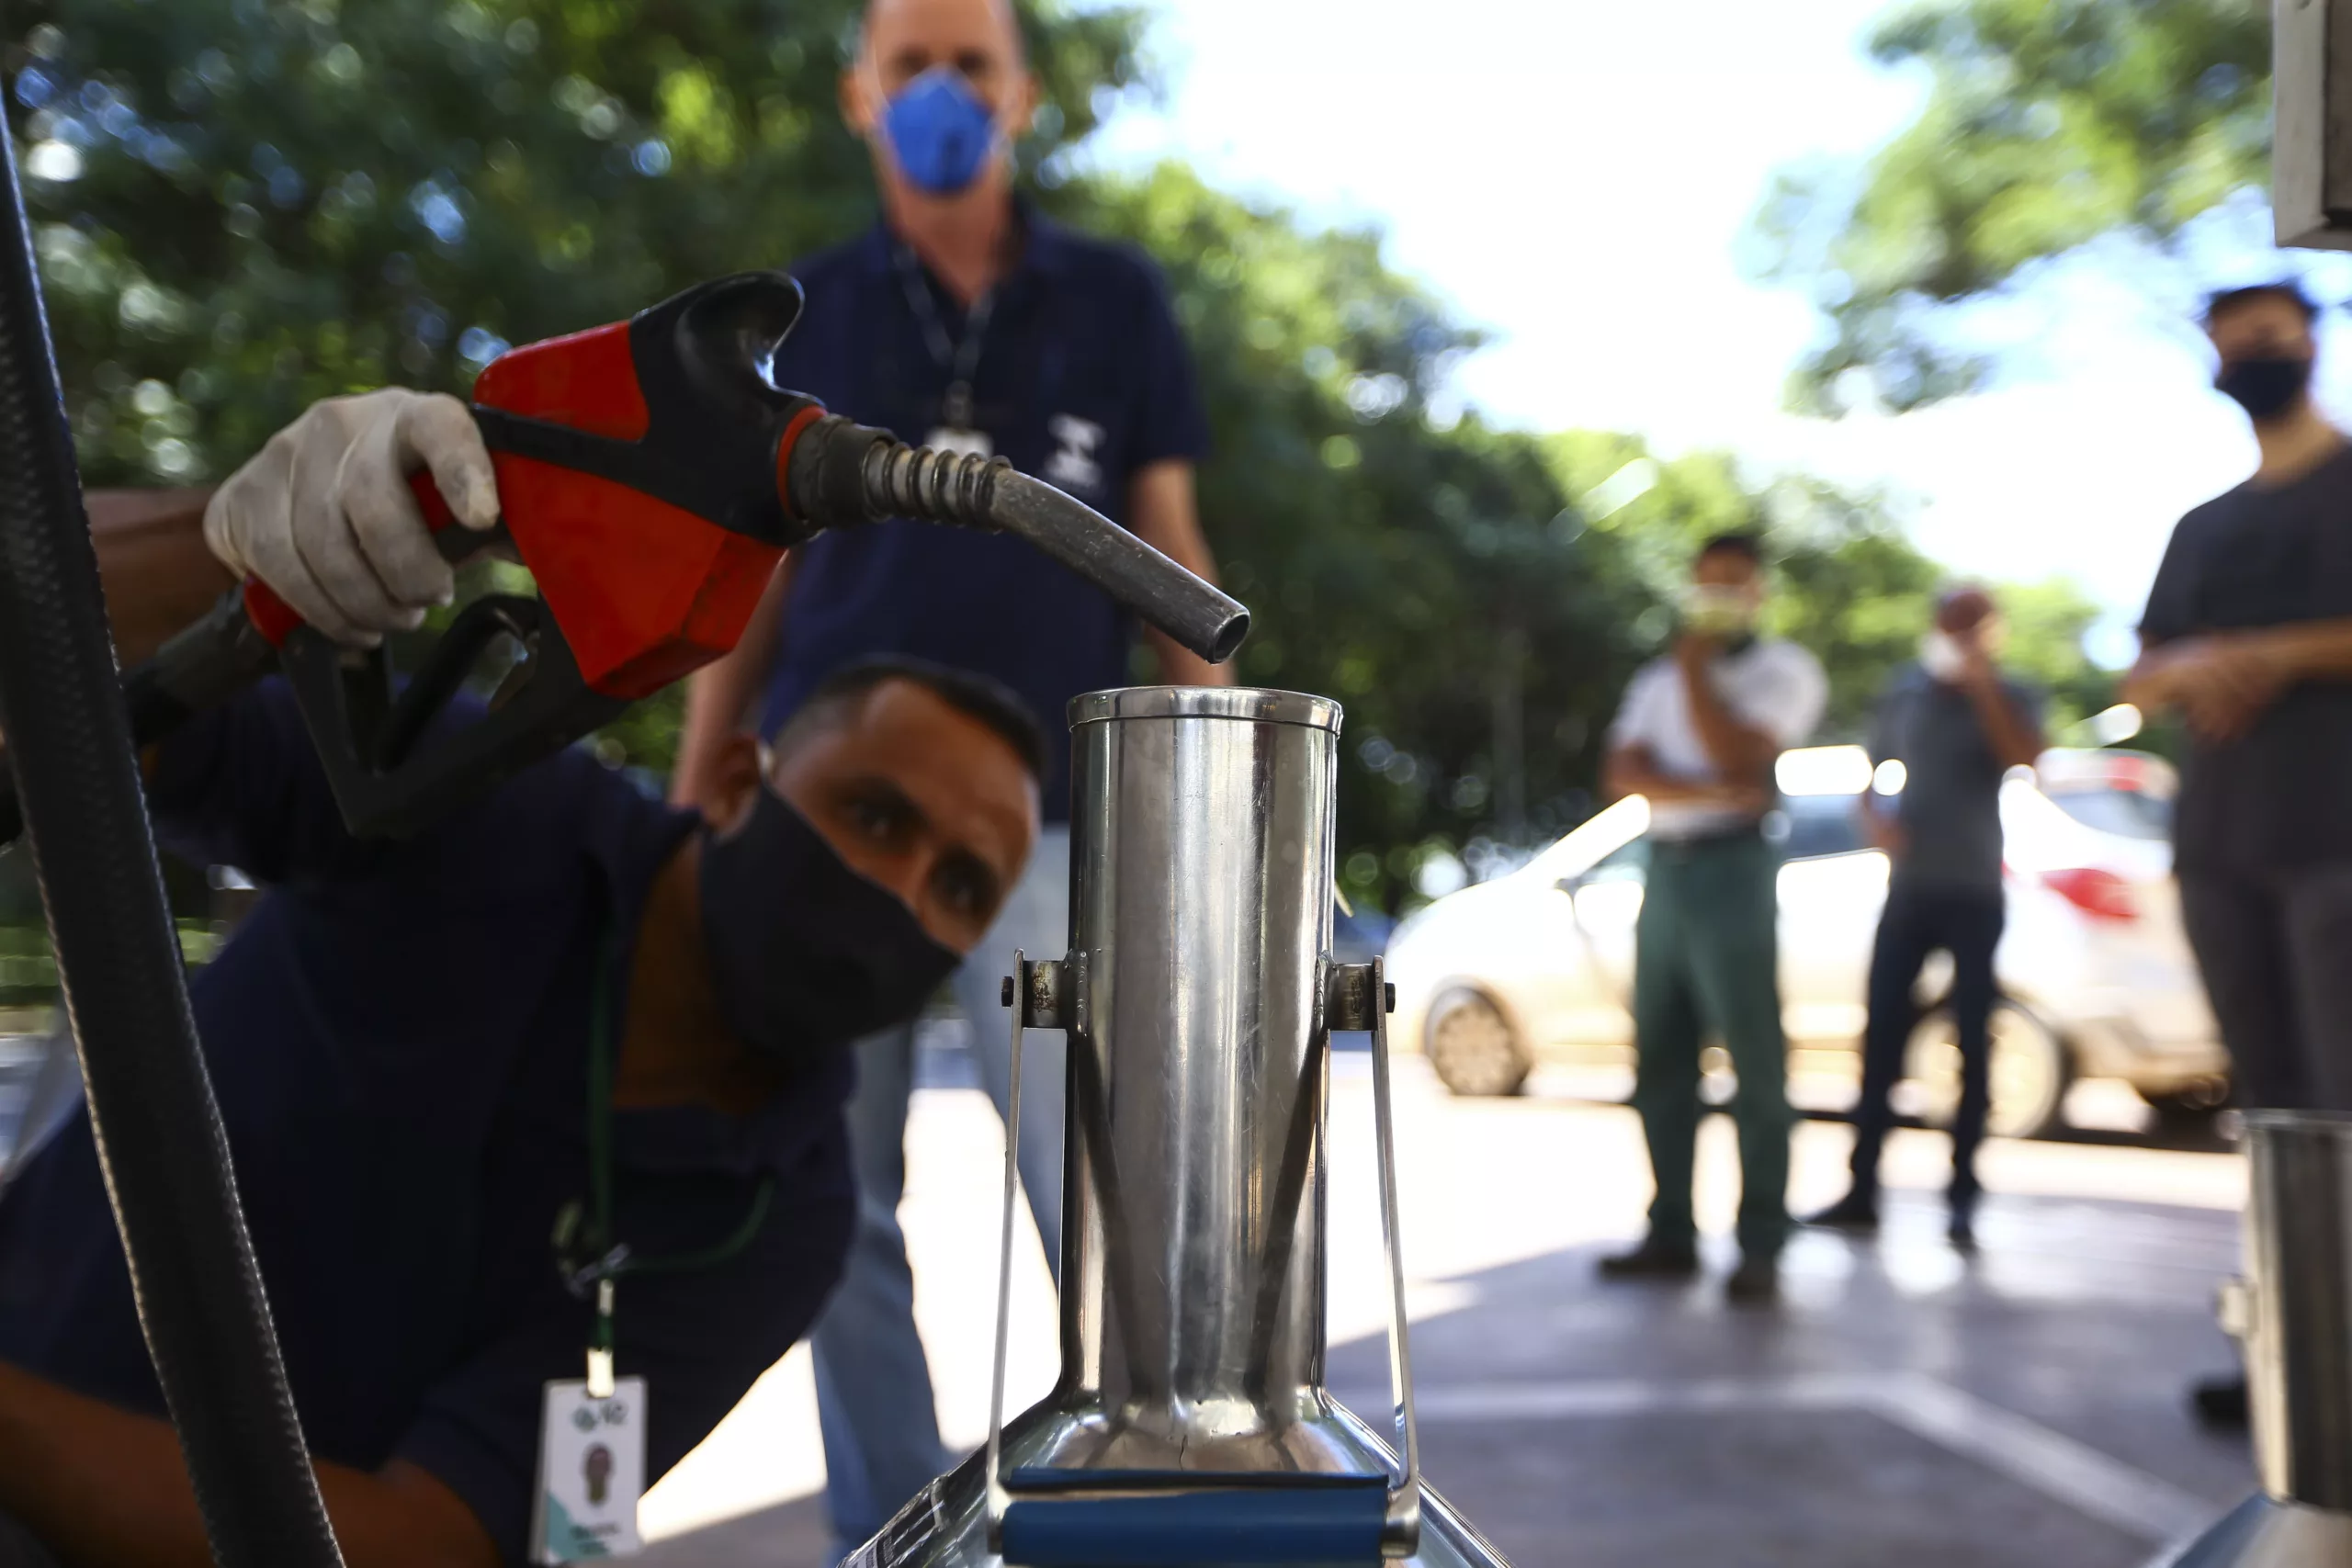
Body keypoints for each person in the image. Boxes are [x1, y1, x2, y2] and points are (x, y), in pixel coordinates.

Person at [0, 387, 1045, 1567]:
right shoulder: (479, 806)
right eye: (870, 813)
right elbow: (59, 665)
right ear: (741, 784)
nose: (897, 891)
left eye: (960, 886)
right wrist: (258, 542)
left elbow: (440, 1539)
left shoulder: (773, 1219)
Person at [667, 0, 1227, 1550]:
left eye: (967, 63)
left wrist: (1243, 794)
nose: (937, 92)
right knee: (831, 1204)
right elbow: (752, 572)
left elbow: (1171, 559)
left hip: (1048, 826)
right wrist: (700, 772)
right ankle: (898, 1525)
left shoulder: (1111, 300)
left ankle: (1151, 1509)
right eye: (906, 64)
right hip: (822, 821)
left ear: (1022, 97)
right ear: (860, 96)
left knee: (1104, 1200)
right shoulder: (803, 314)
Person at [2123, 280, 2352, 1424]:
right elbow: (2145, 670)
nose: (2252, 346)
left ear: (2311, 337)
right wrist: (2199, 666)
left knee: (2343, 1095)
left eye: (2272, 326)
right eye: (2231, 332)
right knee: (2269, 1108)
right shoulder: (2201, 528)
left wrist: (2260, 653)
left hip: (2337, 843)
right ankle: (2297, 1355)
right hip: (2222, 850)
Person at [1594, 534, 1827, 1303]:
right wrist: (1709, 788)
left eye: (1734, 583)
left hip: (1735, 866)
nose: (1718, 596)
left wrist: (1698, 677)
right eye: (1706, 583)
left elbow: (1744, 761)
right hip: (1665, 869)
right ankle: (1671, 1231)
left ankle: (1762, 1237)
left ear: (1758, 590)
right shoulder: (1655, 676)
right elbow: (1622, 774)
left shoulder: (1783, 670)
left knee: (1754, 1058)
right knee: (1660, 1058)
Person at [1804, 586, 2044, 1250]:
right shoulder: (1905, 690)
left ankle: (1962, 1196)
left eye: (1970, 625)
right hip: (1909, 891)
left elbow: (2025, 757)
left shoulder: (2011, 690)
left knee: (1971, 1040)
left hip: (1973, 892)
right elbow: (1872, 766)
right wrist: (1873, 816)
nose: (1956, 633)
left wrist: (1983, 684)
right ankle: (1862, 1191)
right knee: (1880, 1037)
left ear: (1991, 630)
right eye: (1948, 623)